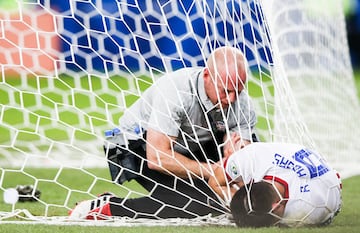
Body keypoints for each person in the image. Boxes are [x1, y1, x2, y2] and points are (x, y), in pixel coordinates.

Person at [69, 46, 258, 219]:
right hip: (137, 146)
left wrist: (237, 157)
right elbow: (157, 158)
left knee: (223, 198)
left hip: (190, 147)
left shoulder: (242, 103)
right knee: (195, 204)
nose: (232, 98)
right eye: (226, 90)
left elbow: (243, 151)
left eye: (238, 90)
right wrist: (215, 171)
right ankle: (108, 207)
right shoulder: (177, 92)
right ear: (207, 75)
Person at [208, 142, 342, 227]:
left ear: (276, 206)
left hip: (325, 188)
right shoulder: (249, 159)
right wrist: (242, 205)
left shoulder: (305, 212)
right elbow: (215, 182)